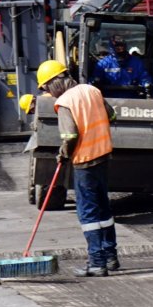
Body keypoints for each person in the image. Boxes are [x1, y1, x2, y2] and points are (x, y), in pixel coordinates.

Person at [36, 59, 119, 277]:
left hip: (84, 160)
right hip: (103, 156)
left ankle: (97, 263)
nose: (49, 93)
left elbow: (70, 135)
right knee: (103, 209)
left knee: (88, 213)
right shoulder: (92, 90)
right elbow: (112, 115)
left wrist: (63, 153)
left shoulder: (64, 102)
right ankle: (110, 257)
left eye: (46, 88)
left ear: (54, 82)